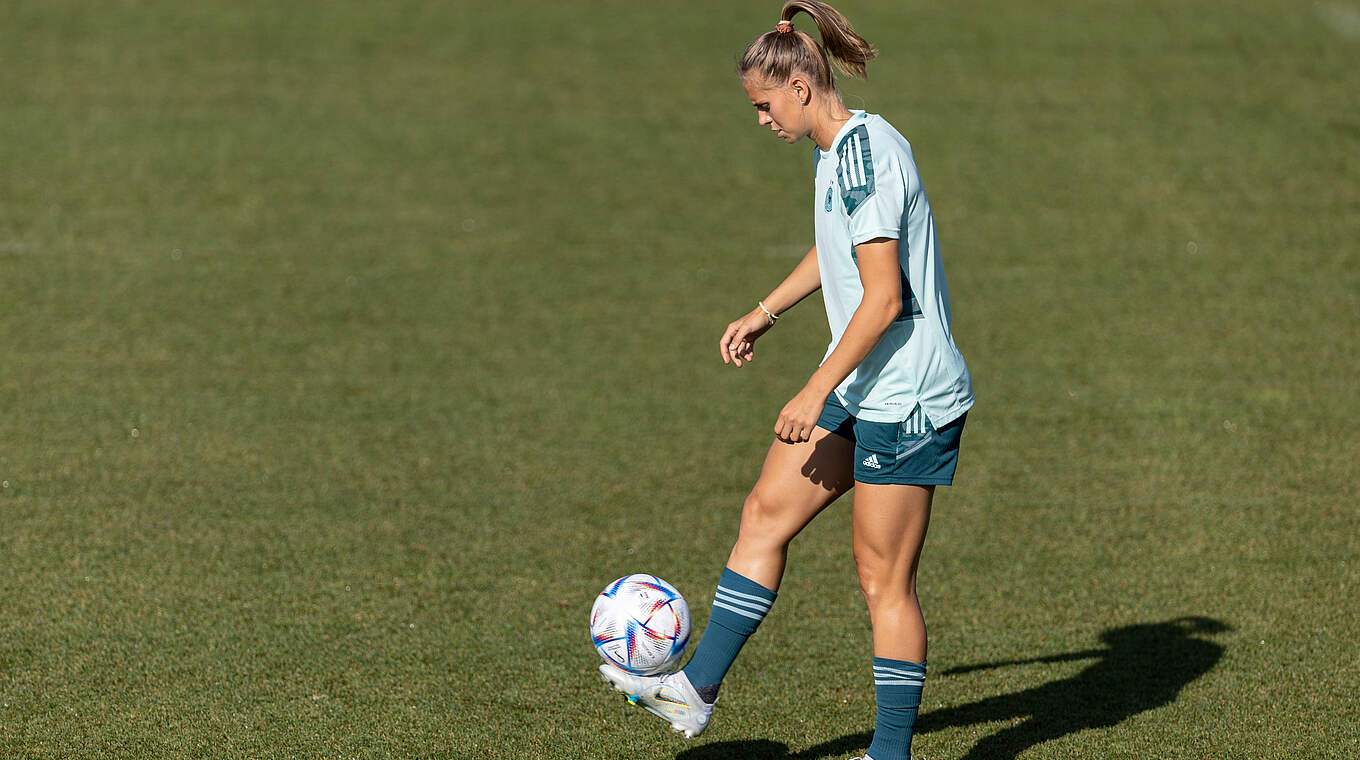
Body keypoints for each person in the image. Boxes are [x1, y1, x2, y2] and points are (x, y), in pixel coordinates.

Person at [599, 3, 973, 758]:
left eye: (764, 106)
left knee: (882, 582)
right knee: (766, 511)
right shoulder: (834, 151)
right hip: (865, 377)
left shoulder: (868, 153)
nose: (762, 120)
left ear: (801, 86)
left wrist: (811, 392)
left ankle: (890, 755)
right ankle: (695, 691)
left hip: (907, 397)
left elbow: (884, 298)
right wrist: (766, 310)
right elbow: (837, 245)